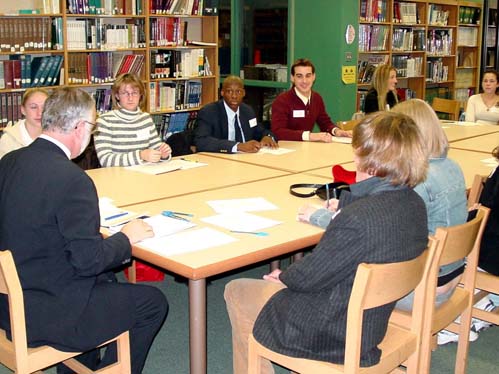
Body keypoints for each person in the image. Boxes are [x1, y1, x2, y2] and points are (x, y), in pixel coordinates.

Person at [224, 111, 429, 373]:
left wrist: (285, 275)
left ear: (373, 162)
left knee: (236, 290)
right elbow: (377, 213)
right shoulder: (414, 204)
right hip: (374, 321)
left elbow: (309, 276)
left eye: (359, 152)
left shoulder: (357, 220)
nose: (354, 158)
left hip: (336, 331)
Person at [0, 87, 168, 374]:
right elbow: (88, 260)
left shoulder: (9, 162)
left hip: (9, 302)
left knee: (110, 282)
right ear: (79, 127)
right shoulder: (73, 179)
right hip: (46, 311)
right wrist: (126, 238)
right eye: (93, 126)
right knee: (152, 303)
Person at [94, 73, 172, 166]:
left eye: (134, 93)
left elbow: (156, 150)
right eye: (125, 93)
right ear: (117, 96)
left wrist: (163, 154)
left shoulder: (146, 119)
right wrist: (140, 156)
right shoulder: (104, 121)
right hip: (117, 177)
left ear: (140, 95)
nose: (130, 98)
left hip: (144, 174)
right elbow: (105, 160)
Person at [270, 58, 351, 142]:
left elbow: (325, 122)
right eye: (299, 76)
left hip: (306, 148)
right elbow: (278, 132)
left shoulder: (316, 98)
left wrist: (336, 131)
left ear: (313, 77)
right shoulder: (282, 101)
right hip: (286, 149)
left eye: (308, 76)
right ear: (292, 78)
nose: (304, 81)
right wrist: (309, 136)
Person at [194, 75, 278, 153]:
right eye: (229, 91)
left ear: (243, 93)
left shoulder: (247, 111)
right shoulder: (209, 112)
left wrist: (267, 137)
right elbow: (201, 141)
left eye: (238, 91)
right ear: (222, 93)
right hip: (221, 160)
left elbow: (260, 130)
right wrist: (238, 146)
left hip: (246, 159)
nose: (234, 96)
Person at [0, 88, 49, 159]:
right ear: (23, 110)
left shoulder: (57, 137)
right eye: (33, 107)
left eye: (44, 107)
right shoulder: (8, 140)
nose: (40, 113)